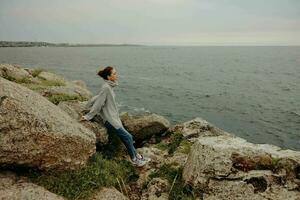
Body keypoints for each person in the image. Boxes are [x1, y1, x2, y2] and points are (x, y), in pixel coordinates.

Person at [81, 66, 149, 167]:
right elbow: (99, 104)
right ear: (108, 77)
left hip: (114, 118)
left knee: (127, 137)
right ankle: (134, 160)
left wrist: (88, 103)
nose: (117, 75)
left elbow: (97, 97)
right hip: (110, 120)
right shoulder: (106, 88)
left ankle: (137, 156)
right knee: (128, 137)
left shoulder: (109, 87)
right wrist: (88, 116)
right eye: (114, 74)